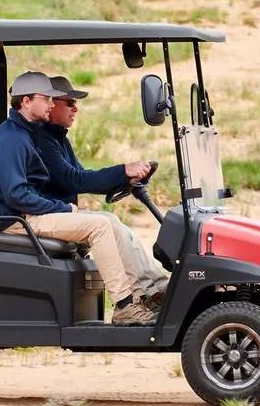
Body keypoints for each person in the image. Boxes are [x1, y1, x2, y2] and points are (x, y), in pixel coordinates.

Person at [0, 72, 160, 325]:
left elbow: (67, 179)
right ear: (26, 101)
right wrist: (62, 207)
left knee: (109, 222)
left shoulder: (26, 133)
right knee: (99, 226)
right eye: (47, 99)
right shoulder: (13, 139)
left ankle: (139, 298)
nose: (52, 104)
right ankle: (125, 306)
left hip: (28, 214)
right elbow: (17, 195)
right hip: (17, 220)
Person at [30, 74, 169, 318]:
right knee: (106, 224)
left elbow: (83, 175)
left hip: (60, 212)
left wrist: (124, 179)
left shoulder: (57, 137)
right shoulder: (43, 140)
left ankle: (153, 291)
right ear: (51, 104)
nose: (75, 109)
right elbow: (73, 179)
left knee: (116, 224)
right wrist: (122, 171)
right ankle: (136, 300)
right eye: (69, 103)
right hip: (48, 214)